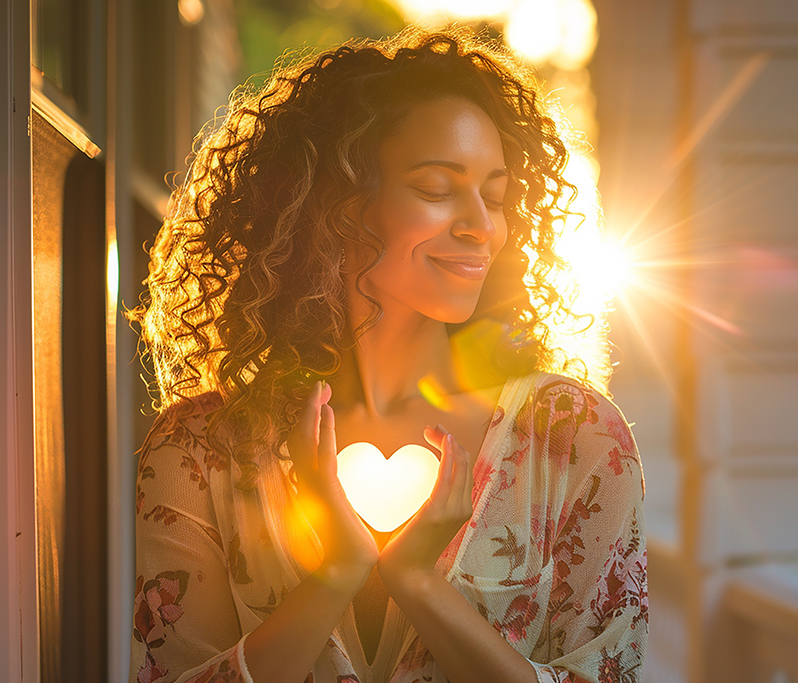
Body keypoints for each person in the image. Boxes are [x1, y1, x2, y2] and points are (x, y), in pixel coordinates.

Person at [129, 27, 647, 683]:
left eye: (494, 195)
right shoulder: (199, 448)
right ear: (333, 207)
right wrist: (336, 574)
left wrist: (420, 585)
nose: (480, 227)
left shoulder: (575, 437)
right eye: (437, 187)